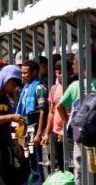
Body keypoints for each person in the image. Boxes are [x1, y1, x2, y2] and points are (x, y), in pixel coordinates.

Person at [57, 53, 96, 185]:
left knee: (80, 169)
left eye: (75, 62)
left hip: (81, 134)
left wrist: (68, 123)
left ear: (83, 65)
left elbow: (59, 106)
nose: (73, 65)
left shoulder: (75, 85)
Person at [15, 60, 47, 185]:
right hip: (26, 133)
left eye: (25, 73)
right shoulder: (26, 88)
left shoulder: (39, 88)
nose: (22, 75)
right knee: (29, 163)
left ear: (34, 72)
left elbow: (43, 112)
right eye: (21, 73)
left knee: (37, 164)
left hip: (35, 133)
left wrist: (39, 134)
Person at [41, 57, 71, 171]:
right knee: (61, 162)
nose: (60, 76)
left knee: (71, 164)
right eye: (58, 73)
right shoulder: (54, 89)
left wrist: (66, 129)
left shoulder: (74, 87)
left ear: (70, 72)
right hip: (56, 132)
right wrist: (47, 134)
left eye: (63, 73)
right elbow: (51, 112)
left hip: (69, 132)